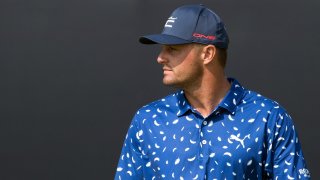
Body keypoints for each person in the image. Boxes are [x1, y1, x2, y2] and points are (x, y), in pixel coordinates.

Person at [114, 4, 310, 180]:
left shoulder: (268, 117)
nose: (160, 58)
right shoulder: (147, 120)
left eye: (172, 49)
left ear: (207, 54)